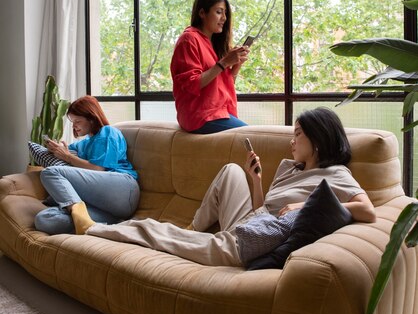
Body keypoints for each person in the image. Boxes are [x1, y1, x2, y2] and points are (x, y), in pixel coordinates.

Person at [72, 108, 376, 267]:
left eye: (298, 134)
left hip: (253, 238)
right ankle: (193, 229)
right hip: (253, 221)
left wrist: (305, 205)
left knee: (153, 229)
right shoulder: (290, 167)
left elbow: (367, 210)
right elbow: (262, 209)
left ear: (319, 139)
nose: (292, 141)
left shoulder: (335, 174)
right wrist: (255, 180)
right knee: (232, 171)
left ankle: (92, 229)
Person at [34, 95, 140, 235]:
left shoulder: (108, 132)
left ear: (91, 118)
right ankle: (101, 221)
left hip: (124, 190)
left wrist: (67, 156)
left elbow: (98, 169)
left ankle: (82, 218)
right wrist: (56, 149)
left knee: (50, 172)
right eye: (72, 121)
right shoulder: (83, 143)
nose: (74, 125)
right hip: (107, 207)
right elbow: (67, 153)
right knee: (45, 219)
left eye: (77, 121)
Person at [170, 0, 249, 133]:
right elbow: (192, 83)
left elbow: (221, 86)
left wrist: (235, 66)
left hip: (218, 113)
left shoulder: (213, 44)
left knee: (252, 138)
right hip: (200, 116)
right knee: (251, 136)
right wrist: (224, 63)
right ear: (202, 13)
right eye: (219, 12)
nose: (224, 18)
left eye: (225, 13)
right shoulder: (188, 40)